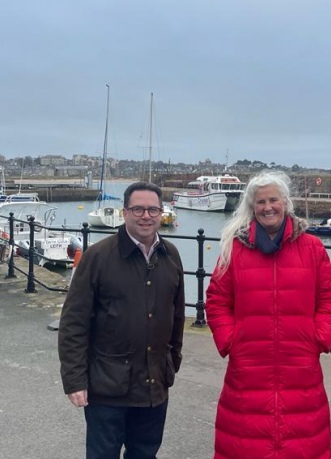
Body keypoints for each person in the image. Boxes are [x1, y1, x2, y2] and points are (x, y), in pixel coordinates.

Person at [206, 171, 331, 459]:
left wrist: (317, 338)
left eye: (273, 200)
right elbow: (217, 300)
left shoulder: (312, 247)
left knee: (302, 443)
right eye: (260, 202)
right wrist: (232, 341)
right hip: (248, 366)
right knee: (245, 443)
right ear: (252, 207)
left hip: (300, 365)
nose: (267, 207)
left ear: (285, 203)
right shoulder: (234, 248)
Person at [58, 181, 185, 459]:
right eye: (138, 209)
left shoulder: (170, 256)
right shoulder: (98, 256)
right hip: (107, 386)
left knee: (145, 454)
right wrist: (75, 380)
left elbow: (176, 317)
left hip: (154, 385)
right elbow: (74, 322)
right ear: (125, 212)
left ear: (161, 212)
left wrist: (171, 362)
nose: (146, 216)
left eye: (153, 209)